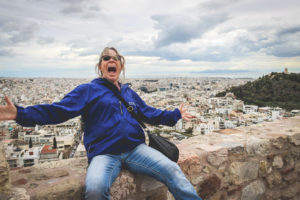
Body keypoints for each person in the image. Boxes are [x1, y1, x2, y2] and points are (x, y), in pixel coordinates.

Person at [0, 47, 202, 200]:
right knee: (95, 188)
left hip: (136, 149)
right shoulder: (88, 90)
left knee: (173, 170)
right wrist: (20, 113)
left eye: (116, 58)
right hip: (104, 153)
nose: (111, 60)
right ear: (100, 66)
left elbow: (149, 113)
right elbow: (58, 110)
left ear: (120, 66)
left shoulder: (128, 93)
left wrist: (175, 114)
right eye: (107, 58)